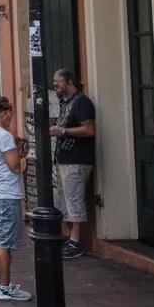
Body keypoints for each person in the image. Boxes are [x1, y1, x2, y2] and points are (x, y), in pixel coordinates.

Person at [0, 95, 32, 301]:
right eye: (9, 112)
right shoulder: (3, 136)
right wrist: (22, 158)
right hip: (6, 194)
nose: (12, 116)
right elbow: (14, 165)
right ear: (2, 114)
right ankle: (5, 287)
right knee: (4, 242)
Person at [50, 68, 96, 259]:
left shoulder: (81, 102)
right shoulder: (65, 102)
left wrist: (63, 131)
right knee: (65, 199)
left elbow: (89, 129)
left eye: (58, 82)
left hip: (77, 159)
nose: (55, 85)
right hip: (65, 159)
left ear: (69, 81)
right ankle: (69, 237)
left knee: (74, 198)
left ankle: (76, 242)